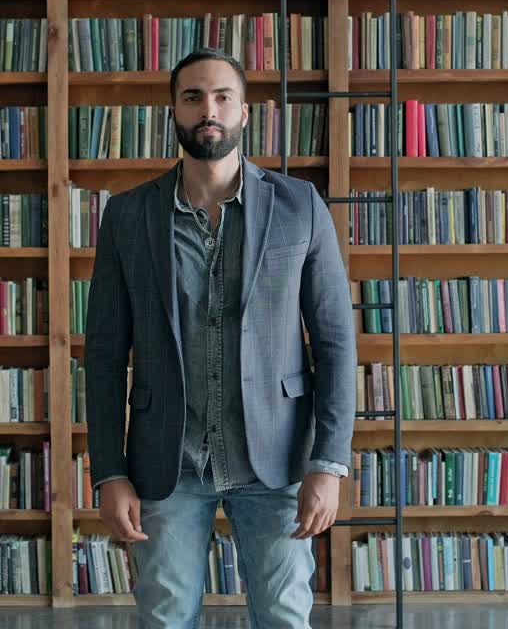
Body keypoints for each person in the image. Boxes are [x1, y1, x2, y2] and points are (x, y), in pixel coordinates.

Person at [83, 47, 357, 628]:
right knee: (164, 619)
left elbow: (334, 343)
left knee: (284, 619)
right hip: (167, 464)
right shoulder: (128, 216)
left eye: (222, 96)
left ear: (244, 111)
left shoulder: (299, 206)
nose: (209, 108)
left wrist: (328, 464)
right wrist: (109, 472)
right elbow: (105, 357)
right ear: (175, 113)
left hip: (277, 460)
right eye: (193, 97)